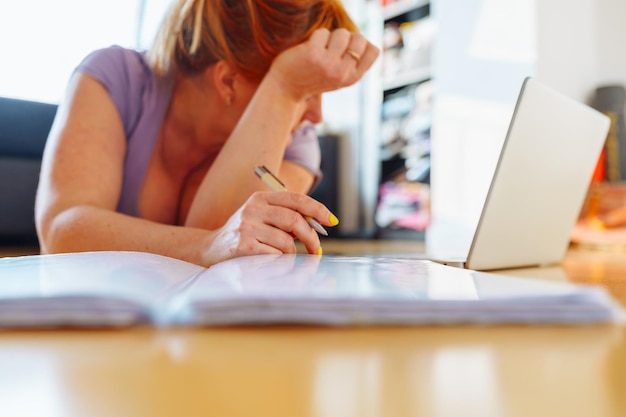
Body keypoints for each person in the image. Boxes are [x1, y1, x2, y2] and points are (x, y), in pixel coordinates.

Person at [35, 0, 379, 267]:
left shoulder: (296, 142)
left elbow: (230, 263)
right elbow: (61, 233)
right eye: (305, 92)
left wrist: (284, 94)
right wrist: (283, 88)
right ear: (228, 81)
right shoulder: (115, 78)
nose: (316, 117)